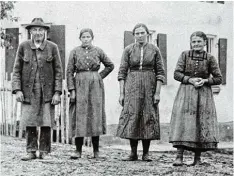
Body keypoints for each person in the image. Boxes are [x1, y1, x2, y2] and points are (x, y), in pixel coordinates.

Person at [12, 18, 63, 160]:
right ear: (30, 31)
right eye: (35, 29)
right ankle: (31, 151)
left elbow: (58, 71)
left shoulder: (52, 47)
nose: (38, 32)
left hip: (47, 91)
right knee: (30, 121)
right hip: (28, 91)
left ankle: (44, 151)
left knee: (46, 121)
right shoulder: (23, 47)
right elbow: (16, 70)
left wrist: (57, 92)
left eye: (41, 30)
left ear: (46, 31)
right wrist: (17, 90)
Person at [169, 31, 222, 166]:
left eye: (199, 41)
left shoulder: (210, 58)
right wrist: (190, 80)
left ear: (205, 42)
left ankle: (197, 158)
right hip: (186, 93)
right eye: (194, 41)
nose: (196, 44)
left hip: (203, 95)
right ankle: (179, 157)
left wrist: (205, 81)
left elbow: (218, 78)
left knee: (200, 123)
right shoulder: (184, 55)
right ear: (190, 43)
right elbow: (176, 74)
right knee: (183, 123)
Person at [116, 23, 165, 161]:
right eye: (137, 33)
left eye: (142, 33)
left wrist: (157, 92)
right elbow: (122, 73)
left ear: (147, 34)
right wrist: (122, 93)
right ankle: (133, 152)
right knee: (133, 116)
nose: (140, 35)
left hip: (149, 86)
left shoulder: (155, 50)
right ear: (134, 35)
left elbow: (160, 72)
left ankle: (146, 153)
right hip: (132, 87)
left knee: (148, 117)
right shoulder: (128, 50)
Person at [66, 28, 114, 159]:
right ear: (80, 38)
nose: (86, 39)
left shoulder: (98, 51)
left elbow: (110, 65)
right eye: (83, 37)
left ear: (92, 38)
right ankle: (78, 150)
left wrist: (98, 77)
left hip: (95, 86)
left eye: (88, 37)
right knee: (79, 115)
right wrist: (72, 89)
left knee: (95, 114)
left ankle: (96, 150)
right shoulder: (74, 52)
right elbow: (69, 72)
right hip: (79, 84)